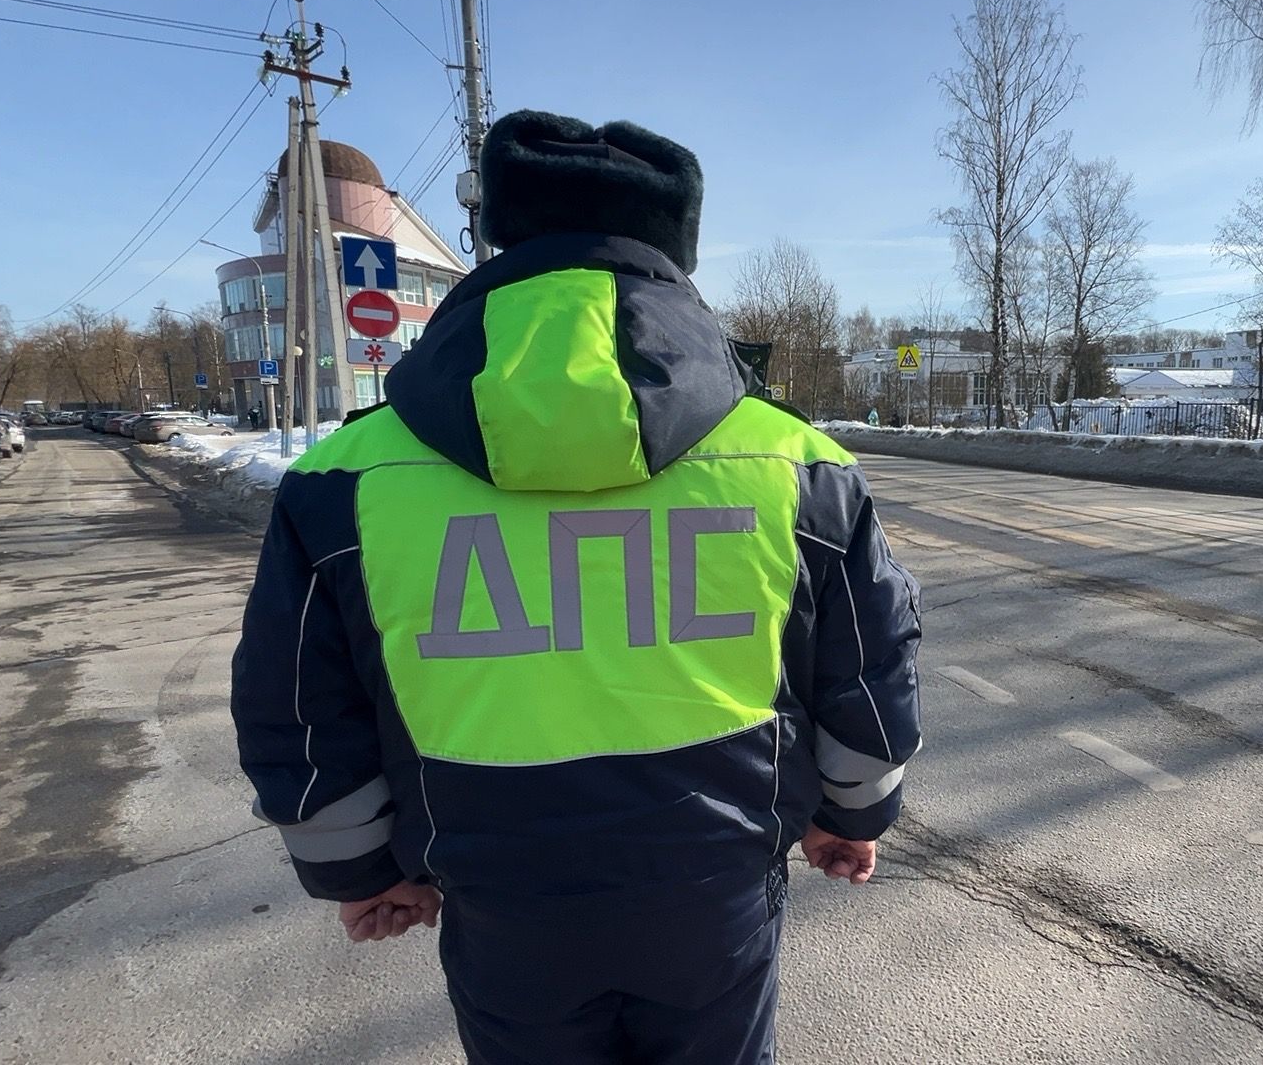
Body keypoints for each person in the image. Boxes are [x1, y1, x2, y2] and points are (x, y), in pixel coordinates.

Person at [230, 110, 922, 1065]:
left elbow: (298, 701)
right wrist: (850, 815)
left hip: (501, 907)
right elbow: (870, 674)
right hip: (714, 897)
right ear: (676, 253)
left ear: (498, 238)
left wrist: (360, 867)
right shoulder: (798, 463)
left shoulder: (346, 478)